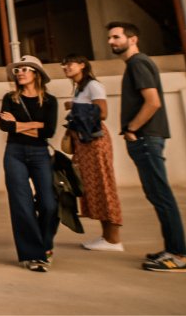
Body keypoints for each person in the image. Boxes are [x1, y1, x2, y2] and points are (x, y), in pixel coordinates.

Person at [108, 22, 186, 273]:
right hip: (147, 139)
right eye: (110, 38)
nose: (112, 42)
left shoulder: (137, 63)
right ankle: (172, 249)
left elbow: (152, 102)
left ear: (132, 39)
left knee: (162, 196)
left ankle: (178, 255)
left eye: (116, 37)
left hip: (146, 138)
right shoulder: (137, 64)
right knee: (157, 195)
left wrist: (132, 128)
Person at [0, 56, 60, 272]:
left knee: (49, 204)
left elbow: (48, 131)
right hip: (14, 152)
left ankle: (46, 245)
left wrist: (19, 124)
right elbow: (5, 127)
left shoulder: (50, 101)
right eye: (18, 70)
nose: (20, 72)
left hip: (40, 153)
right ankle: (33, 255)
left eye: (25, 69)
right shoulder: (10, 98)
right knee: (21, 203)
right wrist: (33, 126)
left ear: (36, 74)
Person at [61, 54, 124, 252]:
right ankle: (106, 236)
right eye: (64, 64)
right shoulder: (79, 88)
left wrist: (74, 107)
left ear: (82, 65)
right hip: (84, 141)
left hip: (95, 140)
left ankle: (114, 239)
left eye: (69, 63)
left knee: (104, 185)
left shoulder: (93, 85)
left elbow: (102, 112)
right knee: (93, 187)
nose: (66, 67)